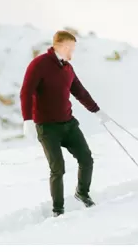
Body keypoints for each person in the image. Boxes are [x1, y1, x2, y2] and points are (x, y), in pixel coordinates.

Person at [20, 31, 110, 217]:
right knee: (58, 168)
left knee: (86, 159)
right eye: (70, 48)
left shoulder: (67, 68)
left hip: (68, 124)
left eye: (73, 48)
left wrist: (97, 110)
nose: (72, 52)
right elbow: (26, 92)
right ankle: (58, 210)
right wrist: (27, 120)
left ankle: (82, 193)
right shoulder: (39, 64)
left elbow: (80, 92)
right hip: (47, 127)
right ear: (59, 46)